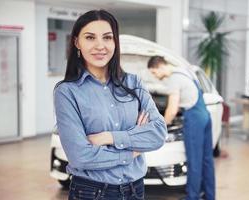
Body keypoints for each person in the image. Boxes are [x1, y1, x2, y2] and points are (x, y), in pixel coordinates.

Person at [53, 10, 167, 200]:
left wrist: (108, 137)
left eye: (107, 37)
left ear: (115, 42)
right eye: (90, 37)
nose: (100, 46)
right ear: (76, 43)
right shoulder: (67, 92)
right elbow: (80, 156)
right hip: (91, 192)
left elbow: (158, 134)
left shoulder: (133, 83)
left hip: (135, 190)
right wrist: (133, 149)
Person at [147, 56, 215, 200]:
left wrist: (161, 126)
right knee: (207, 160)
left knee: (194, 161)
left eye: (154, 73)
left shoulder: (173, 79)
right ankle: (210, 196)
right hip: (205, 116)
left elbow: (172, 110)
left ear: (159, 66)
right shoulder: (185, 71)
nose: (155, 76)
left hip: (194, 118)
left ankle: (192, 197)